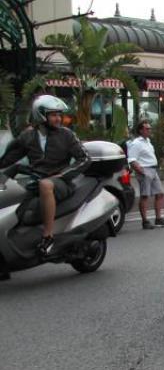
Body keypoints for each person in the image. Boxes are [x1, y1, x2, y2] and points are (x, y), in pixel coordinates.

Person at [0, 95, 89, 256]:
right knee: (15, 211)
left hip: (61, 183)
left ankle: (48, 236)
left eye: (59, 115)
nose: (58, 118)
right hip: (35, 183)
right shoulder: (28, 137)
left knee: (45, 184)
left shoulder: (66, 135)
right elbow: (9, 158)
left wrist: (62, 174)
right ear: (41, 115)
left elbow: (85, 159)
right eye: (54, 115)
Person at [128, 120, 164, 230]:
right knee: (145, 196)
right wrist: (141, 170)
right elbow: (132, 159)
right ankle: (145, 221)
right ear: (141, 130)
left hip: (153, 170)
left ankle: (158, 218)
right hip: (145, 170)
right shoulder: (136, 143)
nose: (149, 130)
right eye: (147, 129)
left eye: (150, 128)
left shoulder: (148, 142)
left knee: (160, 193)